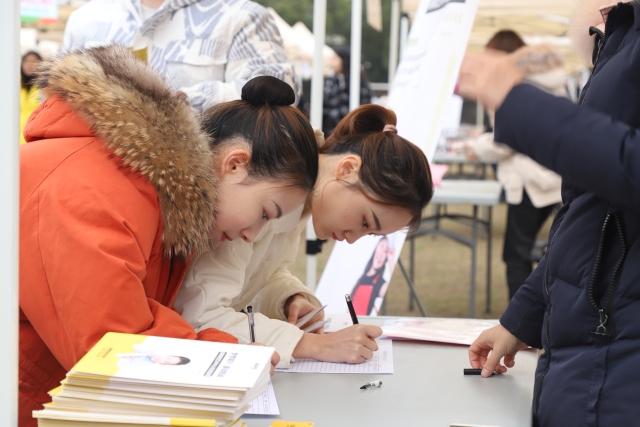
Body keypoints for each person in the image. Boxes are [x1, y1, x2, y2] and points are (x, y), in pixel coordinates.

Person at [19, 45, 318, 427]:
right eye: (264, 213)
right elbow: (111, 342)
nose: (252, 235)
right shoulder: (93, 190)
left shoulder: (147, 192)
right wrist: (225, 355)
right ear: (234, 164)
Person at [458, 1, 640, 425]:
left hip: (614, 366)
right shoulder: (620, 35)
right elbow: (589, 214)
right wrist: (524, 317)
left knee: (515, 249)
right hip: (593, 354)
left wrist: (517, 105)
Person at [176, 104, 433, 367]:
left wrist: (289, 298)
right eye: (365, 222)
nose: (353, 239)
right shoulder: (269, 180)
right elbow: (198, 313)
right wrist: (313, 345)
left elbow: (255, 274)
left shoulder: (299, 193)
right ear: (347, 169)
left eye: (370, 234)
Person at [464, 30, 564, 300]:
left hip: (531, 181)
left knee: (516, 256)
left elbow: (507, 139)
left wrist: (476, 147)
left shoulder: (512, 86)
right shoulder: (546, 82)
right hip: (554, 176)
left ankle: (521, 317)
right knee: (544, 253)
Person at [62, 0, 298, 112]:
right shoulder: (85, 18)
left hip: (200, 186)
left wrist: (182, 101)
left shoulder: (243, 16)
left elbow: (278, 97)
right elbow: (56, 102)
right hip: (97, 181)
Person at [322, 46, 372, 136]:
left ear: (344, 60)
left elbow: (365, 106)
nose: (331, 63)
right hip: (330, 133)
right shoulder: (330, 82)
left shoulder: (358, 83)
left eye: (334, 59)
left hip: (353, 133)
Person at [350, 236, 396, 316]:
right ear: (376, 246)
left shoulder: (379, 283)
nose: (381, 253)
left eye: (386, 251)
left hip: (362, 323)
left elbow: (392, 290)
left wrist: (391, 259)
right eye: (381, 246)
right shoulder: (361, 278)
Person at [20, 50, 42, 145]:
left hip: (34, 136)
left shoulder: (44, 87)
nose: (30, 65)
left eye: (33, 61)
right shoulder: (15, 84)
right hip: (15, 136)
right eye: (27, 61)